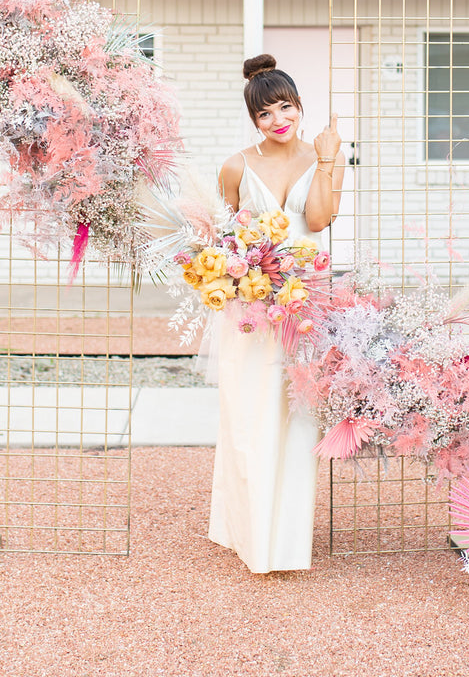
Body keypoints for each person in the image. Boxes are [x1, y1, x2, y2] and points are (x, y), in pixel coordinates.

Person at [206, 53, 344, 573]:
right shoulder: (236, 165)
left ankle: (285, 539)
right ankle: (245, 530)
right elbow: (223, 236)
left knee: (298, 418)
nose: (278, 120)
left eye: (285, 108)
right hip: (253, 309)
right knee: (250, 416)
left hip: (307, 304)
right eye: (265, 114)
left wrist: (330, 159)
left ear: (299, 107)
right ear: (254, 120)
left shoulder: (321, 155)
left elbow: (317, 218)